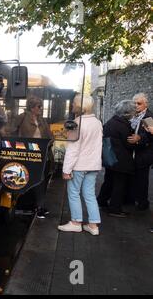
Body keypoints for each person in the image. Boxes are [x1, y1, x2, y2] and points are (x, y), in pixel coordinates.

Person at [58, 96, 102, 235]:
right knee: (89, 194)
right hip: (93, 165)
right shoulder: (97, 122)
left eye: (74, 103)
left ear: (79, 106)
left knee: (73, 193)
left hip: (79, 165)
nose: (72, 105)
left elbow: (73, 149)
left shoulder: (76, 123)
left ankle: (76, 222)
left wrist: (66, 170)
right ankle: (93, 226)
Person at [13, 96, 54, 218]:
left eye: (41, 106)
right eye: (39, 106)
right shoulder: (21, 117)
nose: (41, 109)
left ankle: (39, 207)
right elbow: (10, 131)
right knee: (23, 179)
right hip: (26, 155)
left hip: (42, 156)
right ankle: (18, 205)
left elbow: (50, 136)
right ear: (31, 107)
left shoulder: (42, 120)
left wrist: (48, 143)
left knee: (40, 180)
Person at [97, 99, 136, 218]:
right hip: (121, 160)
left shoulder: (111, 122)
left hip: (111, 159)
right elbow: (129, 143)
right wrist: (137, 139)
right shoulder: (123, 125)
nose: (134, 113)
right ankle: (115, 208)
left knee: (109, 181)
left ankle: (101, 201)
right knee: (119, 185)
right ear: (127, 113)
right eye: (133, 111)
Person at [126, 93, 153, 211]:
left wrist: (139, 138)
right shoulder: (133, 115)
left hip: (144, 153)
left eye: (139, 103)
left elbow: (151, 136)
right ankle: (131, 199)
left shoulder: (148, 117)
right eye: (135, 103)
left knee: (142, 179)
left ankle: (143, 202)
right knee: (132, 176)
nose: (136, 105)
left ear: (145, 104)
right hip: (133, 153)